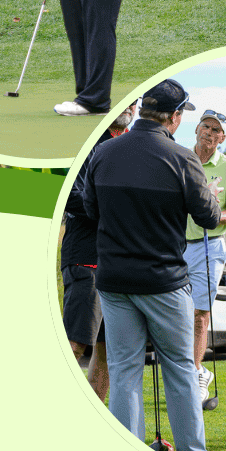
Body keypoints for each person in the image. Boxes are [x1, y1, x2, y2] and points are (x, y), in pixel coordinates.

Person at [77, 79, 221, 451]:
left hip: (114, 281)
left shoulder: (104, 152)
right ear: (174, 117)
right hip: (163, 282)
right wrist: (209, 193)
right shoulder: (182, 159)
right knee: (179, 371)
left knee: (124, 372)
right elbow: (208, 216)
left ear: (142, 109)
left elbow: (91, 210)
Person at [60, 102, 138, 401]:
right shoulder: (89, 142)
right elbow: (71, 195)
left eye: (134, 101)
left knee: (107, 351)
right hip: (86, 258)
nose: (129, 105)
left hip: (118, 263)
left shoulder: (133, 146)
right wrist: (116, 209)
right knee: (74, 345)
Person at [185, 108, 226, 413]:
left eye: (216, 129)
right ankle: (189, 372)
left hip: (209, 245)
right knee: (176, 313)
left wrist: (214, 214)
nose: (210, 132)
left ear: (222, 137)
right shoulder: (181, 159)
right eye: (206, 126)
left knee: (199, 314)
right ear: (196, 129)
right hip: (175, 245)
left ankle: (196, 374)